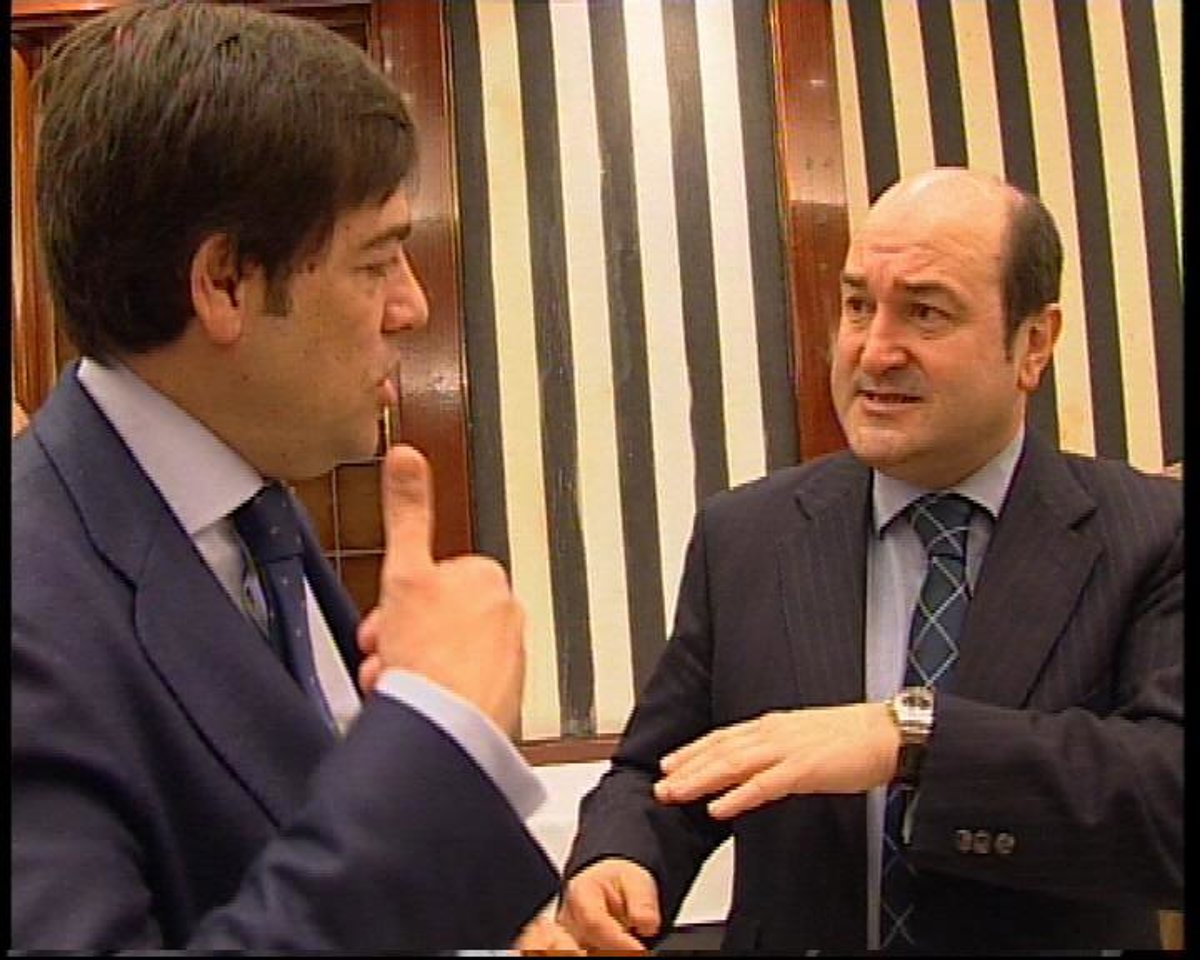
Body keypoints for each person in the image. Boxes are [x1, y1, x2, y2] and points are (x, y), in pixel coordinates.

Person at [11, 1, 561, 951]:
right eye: (376, 261)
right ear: (225, 284)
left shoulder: (253, 517)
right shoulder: (33, 597)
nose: (411, 306)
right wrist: (441, 742)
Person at [555, 167, 1183, 952]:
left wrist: (911, 739)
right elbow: (661, 771)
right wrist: (620, 858)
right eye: (858, 306)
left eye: (925, 312)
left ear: (1033, 343)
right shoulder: (745, 535)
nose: (874, 351)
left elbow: (1169, 800)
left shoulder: (1150, 533)